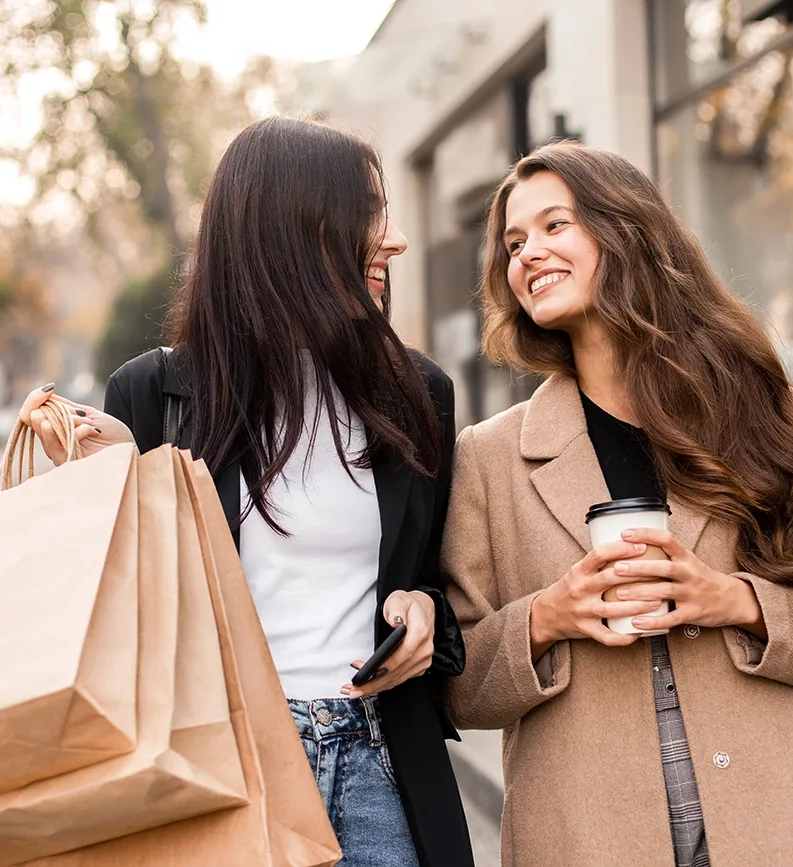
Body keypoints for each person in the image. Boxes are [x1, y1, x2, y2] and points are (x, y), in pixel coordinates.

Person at [19, 116, 474, 867]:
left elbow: (430, 575)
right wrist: (125, 474)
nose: (391, 239)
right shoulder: (156, 393)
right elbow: (124, 610)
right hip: (220, 766)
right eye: (369, 213)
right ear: (294, 230)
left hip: (379, 762)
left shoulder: (417, 392)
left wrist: (423, 610)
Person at [442, 140, 793, 866]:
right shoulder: (487, 455)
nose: (527, 254)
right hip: (581, 838)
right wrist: (547, 616)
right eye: (513, 242)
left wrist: (734, 600)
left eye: (554, 225)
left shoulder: (757, 410)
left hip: (779, 827)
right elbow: (454, 684)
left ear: (625, 230)